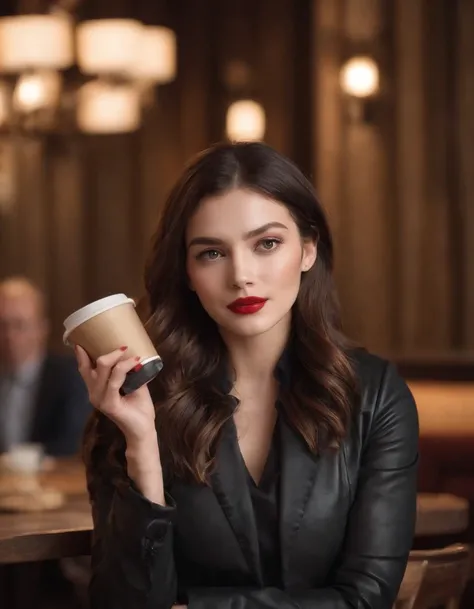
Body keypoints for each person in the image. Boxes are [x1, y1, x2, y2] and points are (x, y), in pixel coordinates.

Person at [79, 142, 419, 609]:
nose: (241, 275)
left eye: (267, 244)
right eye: (212, 253)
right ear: (187, 271)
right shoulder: (137, 400)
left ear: (308, 249)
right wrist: (142, 446)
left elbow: (365, 599)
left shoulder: (376, 395)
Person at [0, 277, 90, 456]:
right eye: (2, 325)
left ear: (42, 329)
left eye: (19, 325)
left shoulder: (71, 377)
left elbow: (72, 443)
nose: (9, 336)